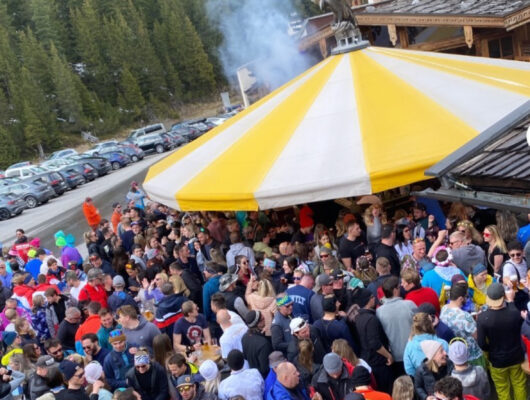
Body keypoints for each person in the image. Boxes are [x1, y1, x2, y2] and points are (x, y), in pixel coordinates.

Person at [477, 282, 526, 400]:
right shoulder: (515, 313)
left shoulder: (483, 318)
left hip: (497, 360)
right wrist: (511, 301)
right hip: (516, 357)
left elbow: (482, 344)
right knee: (519, 384)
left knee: (502, 388)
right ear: (503, 296)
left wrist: (492, 349)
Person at [353, 288, 393, 394]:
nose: (374, 298)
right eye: (372, 297)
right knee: (385, 390)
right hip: (378, 362)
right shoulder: (371, 319)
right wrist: (388, 356)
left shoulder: (358, 317)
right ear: (368, 300)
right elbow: (375, 343)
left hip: (367, 359)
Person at [376, 276, 416, 377]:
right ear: (395, 290)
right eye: (399, 286)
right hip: (412, 354)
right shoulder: (409, 305)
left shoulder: (379, 312)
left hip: (396, 356)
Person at [439, 283, 484, 367]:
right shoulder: (464, 316)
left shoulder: (444, 308)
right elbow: (477, 336)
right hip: (471, 354)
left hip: (455, 353)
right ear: (460, 298)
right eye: (465, 297)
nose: (466, 300)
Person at [403, 312, 449, 376]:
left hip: (422, 383)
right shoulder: (442, 343)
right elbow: (449, 364)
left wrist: (419, 379)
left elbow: (409, 369)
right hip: (443, 381)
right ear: (431, 325)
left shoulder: (409, 346)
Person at [242, 310, 274, 378]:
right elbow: (265, 368)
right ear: (258, 324)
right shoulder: (264, 344)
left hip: (252, 374)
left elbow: (245, 356)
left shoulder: (244, 337)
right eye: (262, 319)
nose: (265, 319)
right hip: (263, 377)